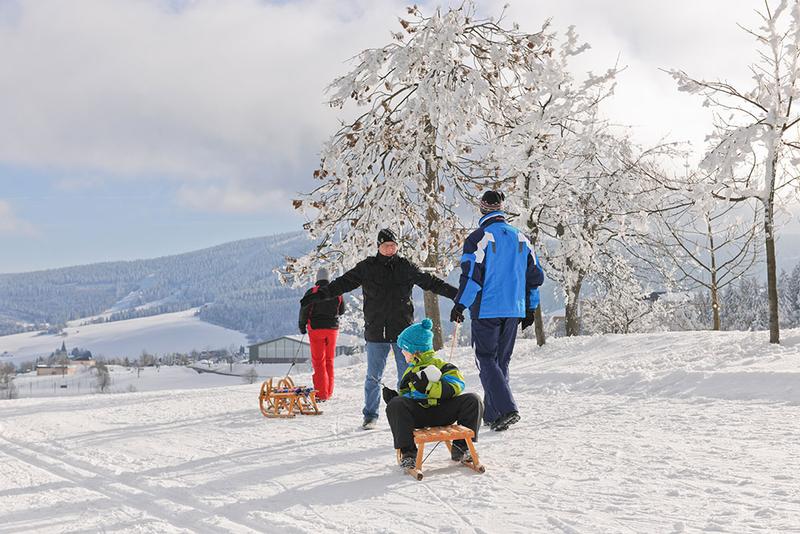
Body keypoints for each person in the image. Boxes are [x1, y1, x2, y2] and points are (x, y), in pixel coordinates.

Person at [300, 228, 458, 429]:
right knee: (373, 376)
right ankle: (370, 415)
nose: (390, 249)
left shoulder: (405, 267)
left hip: (403, 336)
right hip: (376, 332)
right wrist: (319, 295)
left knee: (408, 375)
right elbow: (342, 284)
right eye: (386, 246)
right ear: (379, 247)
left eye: (393, 245)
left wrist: (456, 294)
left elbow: (431, 283)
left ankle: (411, 412)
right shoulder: (367, 267)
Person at [450, 190, 544, 431]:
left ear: (482, 209)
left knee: (485, 359)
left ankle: (506, 408)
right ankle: (493, 416)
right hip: (514, 308)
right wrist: (530, 308)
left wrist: (460, 304)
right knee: (500, 361)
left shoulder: (479, 237)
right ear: (502, 208)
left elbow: (472, 276)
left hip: (487, 307)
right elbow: (534, 276)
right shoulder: (521, 238)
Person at [382, 318, 483, 469]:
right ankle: (408, 454)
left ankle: (461, 448)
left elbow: (456, 385)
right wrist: (396, 398)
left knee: (473, 400)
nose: (403, 354)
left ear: (415, 351)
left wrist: (429, 387)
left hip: (443, 411)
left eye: (405, 351)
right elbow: (407, 396)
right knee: (396, 405)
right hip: (420, 414)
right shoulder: (409, 372)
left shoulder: (443, 366)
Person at [298, 267, 345, 402]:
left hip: (316, 330)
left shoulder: (312, 292)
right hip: (332, 330)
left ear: (317, 279)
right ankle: (329, 392)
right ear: (328, 278)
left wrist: (302, 326)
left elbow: (304, 311)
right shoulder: (337, 292)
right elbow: (341, 311)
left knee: (319, 362)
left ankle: (321, 394)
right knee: (329, 361)